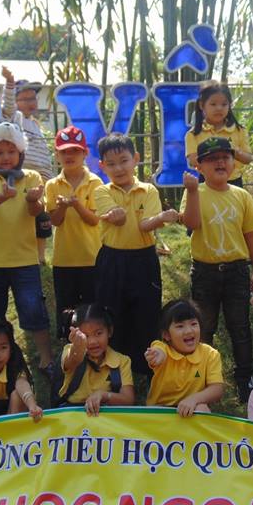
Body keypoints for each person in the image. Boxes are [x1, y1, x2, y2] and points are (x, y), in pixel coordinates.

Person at [0, 113, 57, 387]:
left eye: (11, 151)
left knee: (34, 310)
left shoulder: (31, 176)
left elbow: (36, 211)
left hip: (24, 259)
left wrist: (33, 200)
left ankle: (46, 359)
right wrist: (2, 196)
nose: (6, 157)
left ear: (20, 152)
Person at [180, 136, 253, 402]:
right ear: (199, 166)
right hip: (204, 272)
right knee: (204, 328)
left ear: (233, 163)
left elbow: (252, 236)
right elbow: (191, 224)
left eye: (225, 157)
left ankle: (245, 380)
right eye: (212, 159)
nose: (220, 162)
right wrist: (193, 192)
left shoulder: (242, 196)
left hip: (236, 271)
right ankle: (203, 378)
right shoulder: (194, 192)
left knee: (240, 327)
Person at [94, 133, 180, 374]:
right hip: (112, 260)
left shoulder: (148, 190)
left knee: (147, 311)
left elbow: (144, 225)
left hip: (144, 260)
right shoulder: (101, 191)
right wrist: (116, 215)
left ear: (136, 159)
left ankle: (147, 367)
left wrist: (161, 217)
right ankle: (114, 367)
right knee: (111, 311)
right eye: (111, 164)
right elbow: (117, 219)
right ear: (102, 166)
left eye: (124, 160)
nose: (118, 168)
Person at [45, 126, 102, 323]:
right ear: (56, 155)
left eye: (75, 151)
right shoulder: (52, 185)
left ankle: (94, 340)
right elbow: (55, 221)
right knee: (66, 311)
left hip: (91, 258)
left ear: (85, 153)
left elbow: (94, 220)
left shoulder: (95, 183)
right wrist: (62, 207)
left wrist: (77, 205)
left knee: (92, 311)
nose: (69, 156)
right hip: (63, 260)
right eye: (64, 151)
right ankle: (66, 342)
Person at [1, 70, 54, 265]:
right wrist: (10, 83)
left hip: (42, 177)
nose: (32, 102)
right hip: (24, 176)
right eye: (26, 99)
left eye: (34, 98)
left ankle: (40, 256)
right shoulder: (15, 119)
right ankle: (21, 254)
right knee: (23, 216)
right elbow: (7, 106)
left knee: (42, 217)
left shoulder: (35, 124)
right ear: (16, 102)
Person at [145, 299, 225, 415]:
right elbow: (158, 350)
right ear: (166, 335)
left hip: (190, 409)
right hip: (160, 410)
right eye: (180, 326)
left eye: (193, 324)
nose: (188, 331)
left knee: (202, 408)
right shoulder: (162, 348)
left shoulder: (210, 354)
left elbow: (217, 389)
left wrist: (194, 399)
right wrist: (156, 355)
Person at [58, 304, 135, 414]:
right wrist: (78, 347)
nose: (92, 342)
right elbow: (73, 360)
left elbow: (128, 400)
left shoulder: (122, 361)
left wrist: (104, 395)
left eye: (98, 333)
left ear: (110, 331)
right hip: (74, 413)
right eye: (85, 336)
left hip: (105, 414)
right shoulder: (71, 351)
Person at [185, 80, 253, 186]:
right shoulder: (193, 134)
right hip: (207, 183)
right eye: (213, 104)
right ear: (202, 105)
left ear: (230, 105)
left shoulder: (239, 131)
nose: (219, 108)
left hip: (234, 182)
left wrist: (235, 152)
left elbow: (248, 159)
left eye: (224, 104)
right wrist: (212, 160)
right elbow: (193, 161)